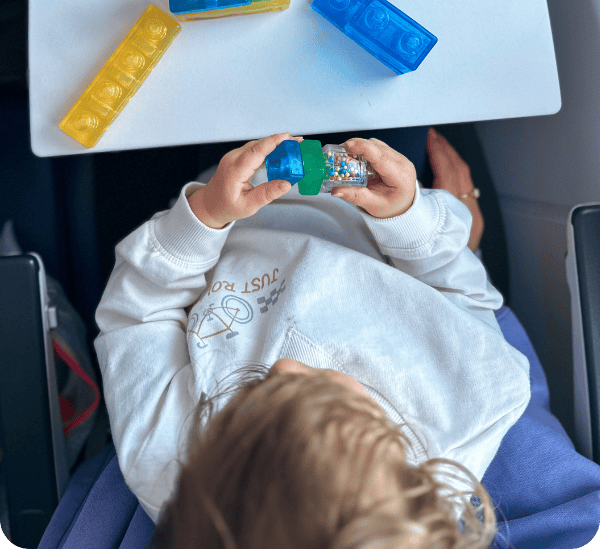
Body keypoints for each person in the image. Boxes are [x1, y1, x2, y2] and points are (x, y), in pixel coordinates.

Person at [94, 129, 530, 549]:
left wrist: (203, 217)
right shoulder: (471, 407)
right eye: (346, 409)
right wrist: (409, 219)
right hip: (372, 186)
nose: (283, 366)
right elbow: (461, 292)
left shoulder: (174, 472)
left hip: (205, 197)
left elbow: (137, 315)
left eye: (255, 403)